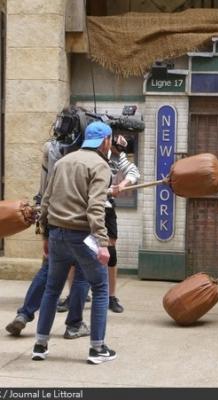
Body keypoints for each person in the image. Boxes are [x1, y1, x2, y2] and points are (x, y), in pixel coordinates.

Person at [32, 121, 115, 364]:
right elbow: (95, 207)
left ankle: (40, 344)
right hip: (82, 236)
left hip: (57, 234)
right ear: (105, 141)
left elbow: (46, 200)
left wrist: (46, 235)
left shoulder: (62, 162)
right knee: (100, 288)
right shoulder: (100, 166)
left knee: (52, 288)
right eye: (110, 139)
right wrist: (102, 243)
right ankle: (97, 349)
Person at [5, 136, 89, 339]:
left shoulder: (52, 150)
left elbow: (45, 196)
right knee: (81, 275)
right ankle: (74, 325)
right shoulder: (92, 158)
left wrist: (45, 231)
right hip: (81, 228)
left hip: (56, 226)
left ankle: (24, 315)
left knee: (47, 272)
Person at [57, 134, 140, 314]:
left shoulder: (118, 155)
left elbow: (133, 171)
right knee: (74, 254)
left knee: (110, 253)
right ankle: (73, 295)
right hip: (82, 207)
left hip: (106, 207)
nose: (116, 152)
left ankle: (111, 296)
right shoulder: (86, 154)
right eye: (113, 147)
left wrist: (123, 183)